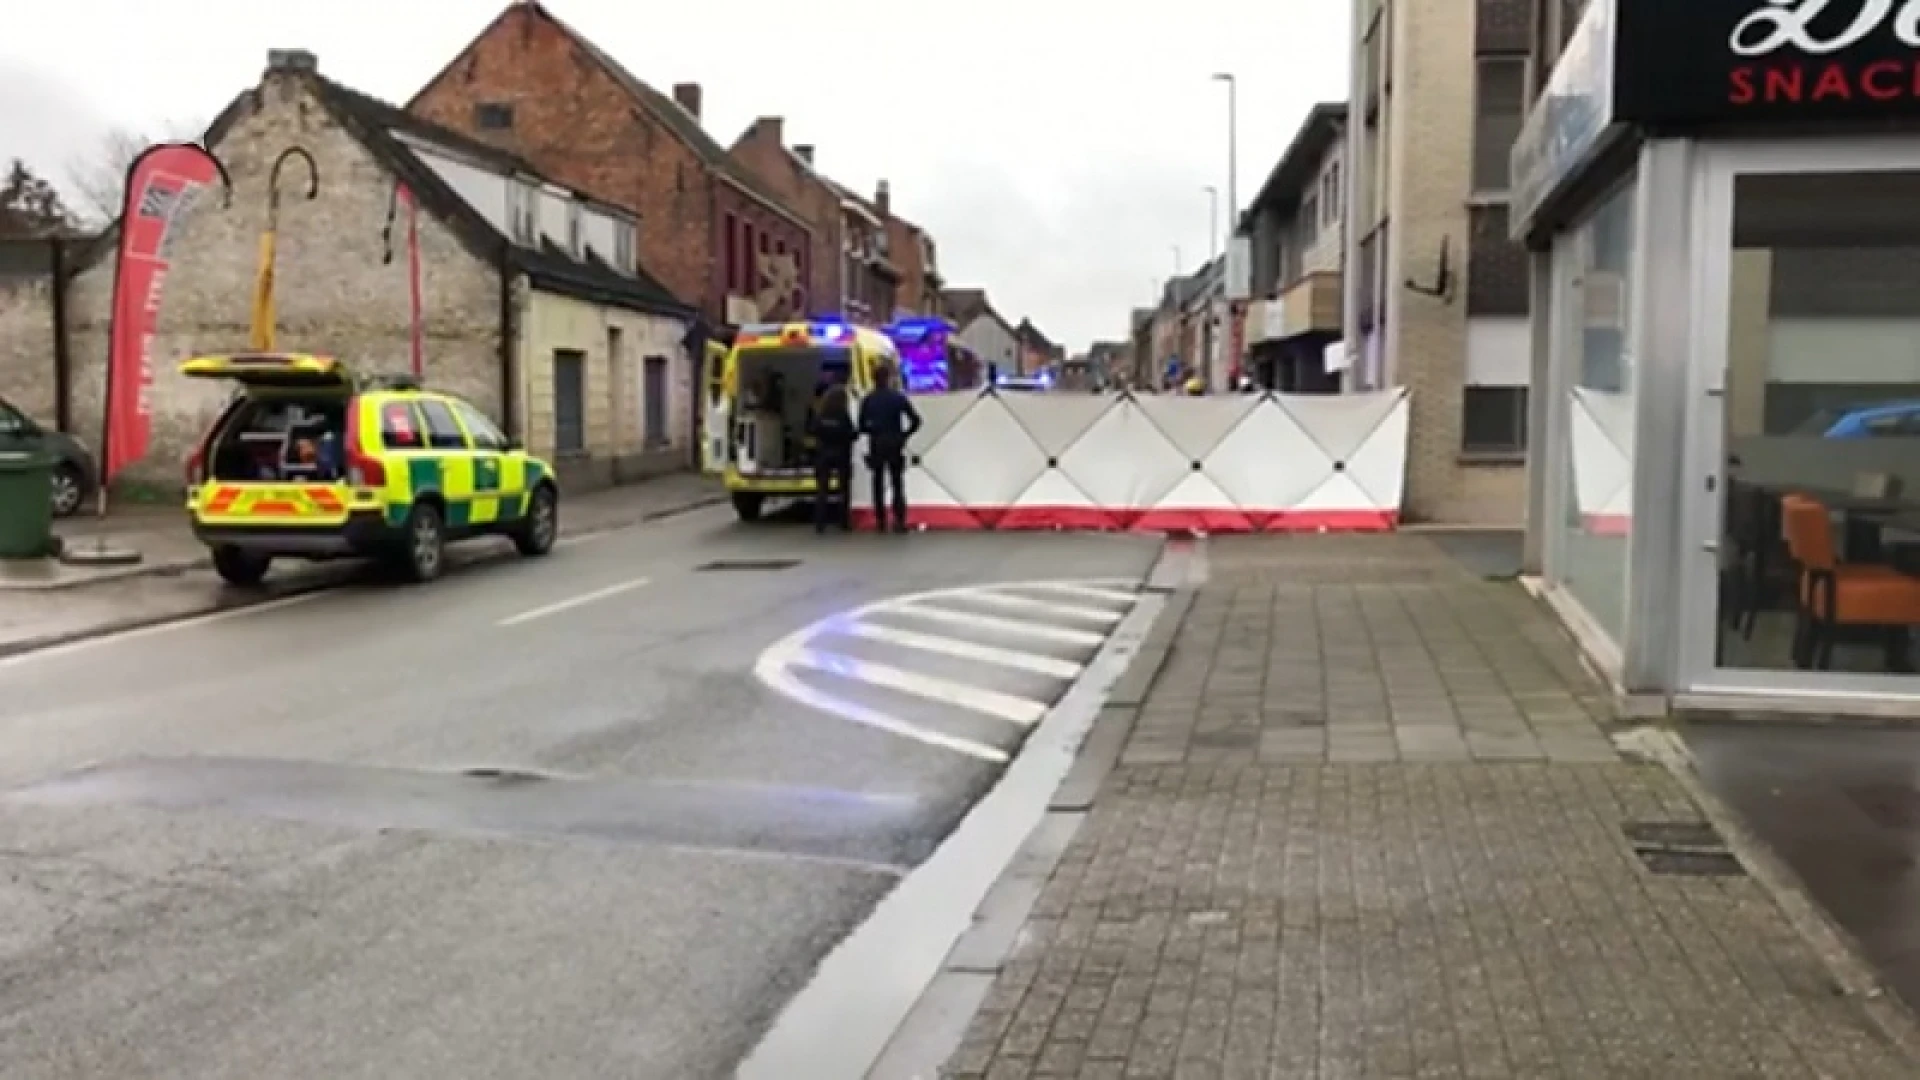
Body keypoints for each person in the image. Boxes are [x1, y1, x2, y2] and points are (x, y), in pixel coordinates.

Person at [857, 365, 922, 533]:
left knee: (877, 482)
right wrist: (904, 435)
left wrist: (873, 429)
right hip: (895, 443)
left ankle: (880, 520)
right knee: (897, 483)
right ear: (888, 378)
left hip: (877, 443)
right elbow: (916, 420)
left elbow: (862, 426)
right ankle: (899, 520)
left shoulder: (868, 400)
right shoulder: (898, 398)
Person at [808, 384, 856, 533]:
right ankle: (844, 522)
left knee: (822, 490)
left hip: (823, 455)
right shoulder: (842, 415)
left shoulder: (820, 414)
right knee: (843, 489)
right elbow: (851, 433)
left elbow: (813, 430)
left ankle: (820, 523)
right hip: (841, 455)